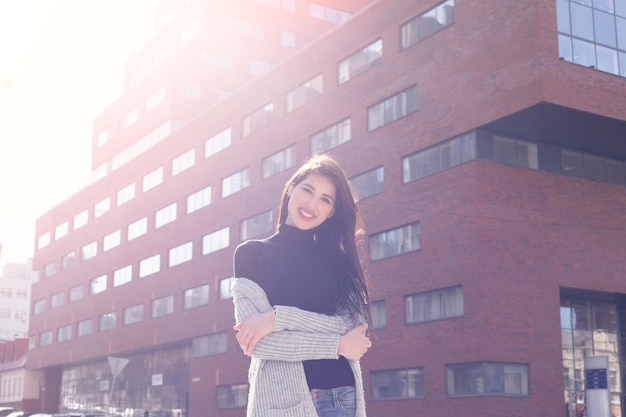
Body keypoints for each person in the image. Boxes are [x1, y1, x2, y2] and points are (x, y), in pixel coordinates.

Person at [232, 153, 372, 417]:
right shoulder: (251, 255)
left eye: (325, 199)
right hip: (282, 403)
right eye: (307, 190)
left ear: (332, 212)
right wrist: (338, 346)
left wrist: (277, 318)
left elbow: (352, 328)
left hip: (343, 397)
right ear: (290, 189)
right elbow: (259, 344)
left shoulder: (339, 262)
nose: (312, 203)